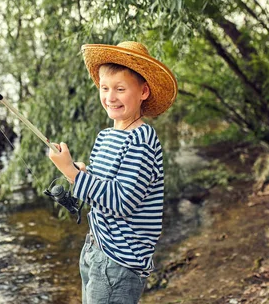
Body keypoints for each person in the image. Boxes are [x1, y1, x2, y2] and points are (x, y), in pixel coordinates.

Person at [48, 41, 178, 304]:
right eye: (105, 88)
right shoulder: (106, 136)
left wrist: (73, 176)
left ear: (143, 91)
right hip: (96, 248)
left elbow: (122, 202)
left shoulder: (141, 139)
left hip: (119, 261)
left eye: (120, 89)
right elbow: (100, 193)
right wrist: (81, 171)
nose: (110, 97)